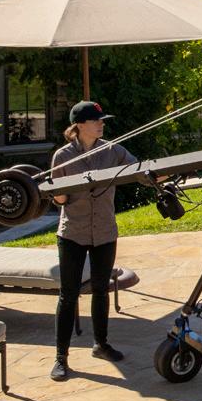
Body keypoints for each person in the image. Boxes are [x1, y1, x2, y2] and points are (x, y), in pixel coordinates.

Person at [48, 100, 136, 381]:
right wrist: (58, 194)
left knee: (100, 289)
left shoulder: (112, 150)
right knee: (68, 294)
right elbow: (59, 198)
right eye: (96, 120)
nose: (102, 124)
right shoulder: (63, 156)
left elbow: (138, 169)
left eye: (102, 120)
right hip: (73, 233)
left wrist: (162, 175)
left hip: (105, 232)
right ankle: (61, 358)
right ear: (80, 125)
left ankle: (101, 344)